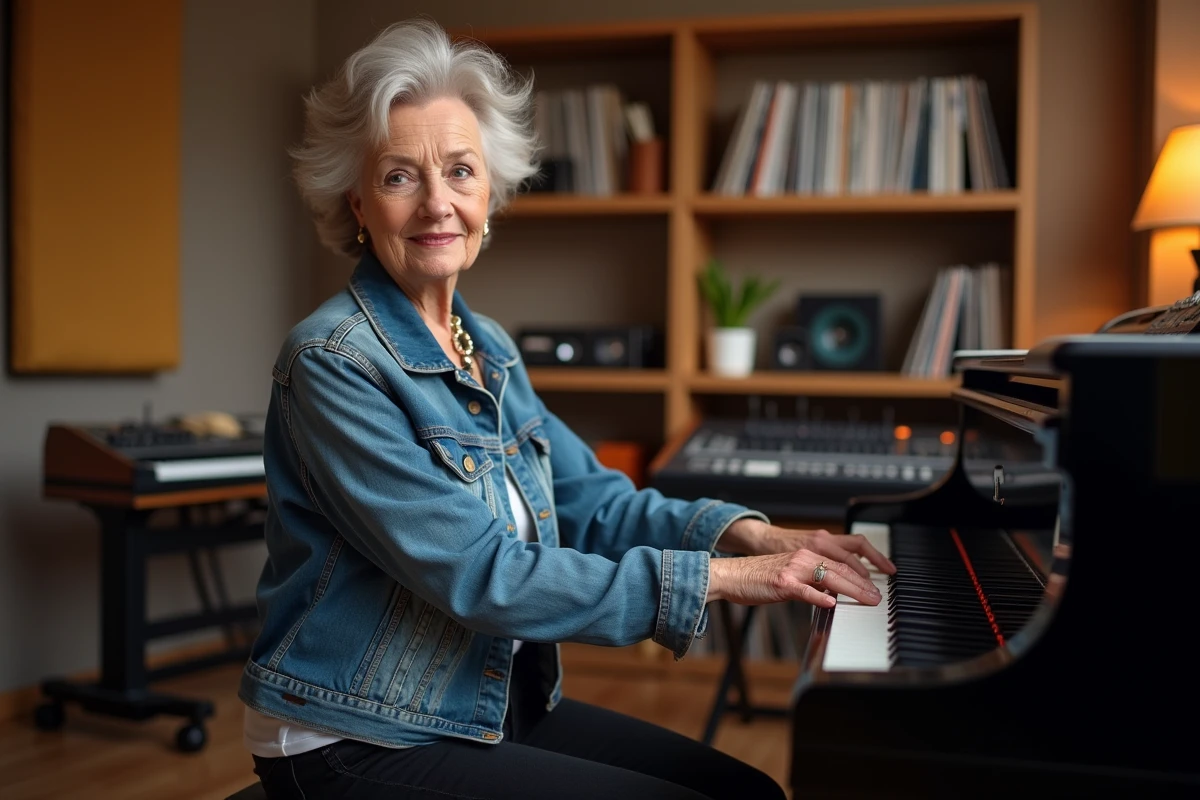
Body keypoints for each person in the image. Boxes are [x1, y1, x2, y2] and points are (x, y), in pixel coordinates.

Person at [238, 18, 893, 800]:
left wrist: (753, 533)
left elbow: (591, 501)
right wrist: (729, 577)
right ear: (357, 201)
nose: (437, 204)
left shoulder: (487, 346)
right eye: (399, 177)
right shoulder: (332, 363)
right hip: (356, 733)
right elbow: (483, 575)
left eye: (460, 171)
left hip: (483, 703)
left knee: (749, 793)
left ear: (492, 192)